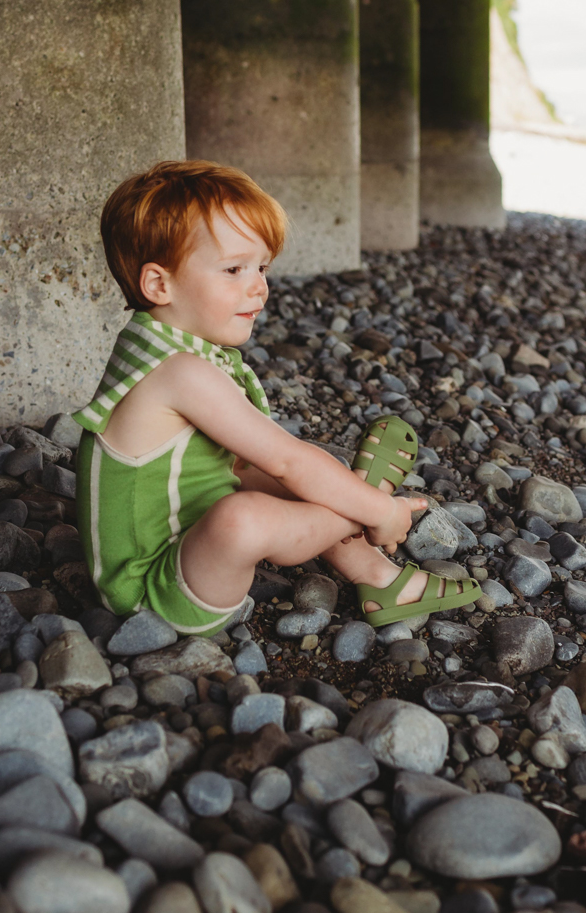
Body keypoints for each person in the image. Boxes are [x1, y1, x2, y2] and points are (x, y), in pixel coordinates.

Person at [72, 160, 481, 636]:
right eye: (233, 269)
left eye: (261, 266)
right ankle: (367, 500)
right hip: (156, 592)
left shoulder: (155, 343)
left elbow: (247, 467)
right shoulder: (180, 372)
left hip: (186, 544)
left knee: (281, 475)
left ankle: (380, 577)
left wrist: (319, 483)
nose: (259, 287)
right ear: (159, 284)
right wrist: (379, 511)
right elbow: (287, 460)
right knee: (248, 512)